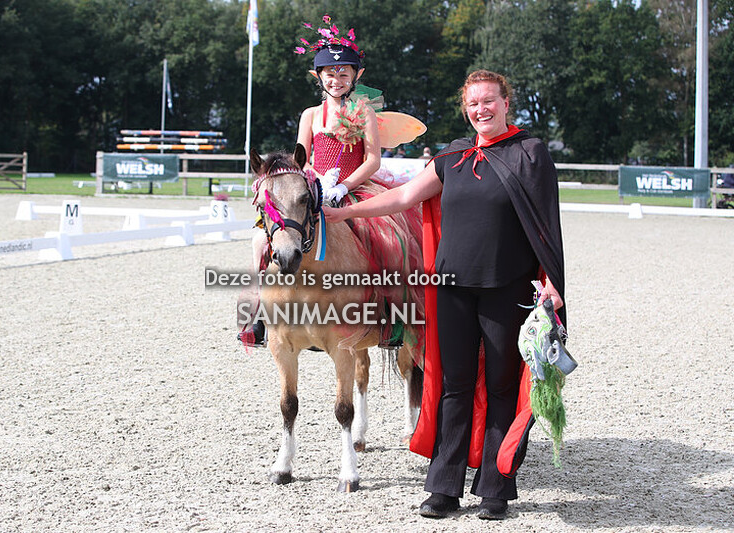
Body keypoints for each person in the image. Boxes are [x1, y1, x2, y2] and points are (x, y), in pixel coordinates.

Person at [324, 69, 567, 520]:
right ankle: (444, 487)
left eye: (489, 101)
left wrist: (552, 282)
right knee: (451, 386)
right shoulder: (452, 157)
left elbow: (546, 226)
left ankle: (496, 487)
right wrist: (343, 215)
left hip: (507, 290)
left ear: (505, 102)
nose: (481, 110)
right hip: (451, 291)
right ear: (466, 108)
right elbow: (402, 199)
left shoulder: (529, 154)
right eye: (473, 104)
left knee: (500, 386)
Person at [239, 16, 424, 349]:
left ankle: (394, 317)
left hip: (355, 188)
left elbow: (373, 159)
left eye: (343, 73)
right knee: (260, 240)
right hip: (314, 186)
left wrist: (343, 186)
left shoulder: (363, 112)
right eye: (329, 74)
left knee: (392, 240)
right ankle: (260, 313)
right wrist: (315, 180)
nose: (336, 79)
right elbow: (301, 157)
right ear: (318, 77)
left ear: (356, 76)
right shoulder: (310, 115)